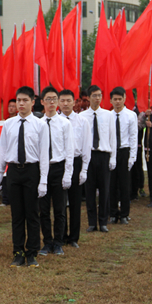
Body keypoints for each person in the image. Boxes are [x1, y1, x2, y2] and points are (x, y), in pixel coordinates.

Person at [0, 86, 49, 267]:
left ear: (33, 102)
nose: (21, 104)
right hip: (14, 172)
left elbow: (43, 155)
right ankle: (18, 252)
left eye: (25, 100)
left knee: (32, 214)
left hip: (32, 171)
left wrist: (43, 181)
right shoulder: (9, 124)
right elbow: (2, 150)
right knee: (17, 214)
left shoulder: (40, 125)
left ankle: (32, 252)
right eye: (18, 101)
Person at [38, 86, 73, 256]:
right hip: (42, 169)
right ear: (42, 102)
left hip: (59, 168)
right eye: (48, 99)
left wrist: (68, 173)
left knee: (59, 209)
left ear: (58, 102)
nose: (52, 102)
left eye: (54, 99)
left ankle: (58, 242)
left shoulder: (65, 124)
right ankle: (47, 242)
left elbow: (69, 150)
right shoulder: (38, 124)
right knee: (43, 209)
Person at [79, 86, 117, 233]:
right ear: (89, 97)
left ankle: (103, 221)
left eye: (100, 95)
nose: (97, 98)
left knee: (104, 189)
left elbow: (112, 137)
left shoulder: (108, 115)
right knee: (89, 190)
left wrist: (113, 157)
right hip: (89, 155)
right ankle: (92, 222)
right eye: (94, 96)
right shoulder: (82, 116)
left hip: (103, 154)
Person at [58, 89, 91, 248]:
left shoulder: (82, 121)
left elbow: (86, 147)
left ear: (74, 102)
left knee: (75, 202)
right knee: (60, 202)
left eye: (68, 100)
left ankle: (73, 238)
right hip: (60, 163)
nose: (65, 104)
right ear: (58, 102)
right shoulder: (54, 121)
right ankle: (61, 235)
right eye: (62, 100)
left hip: (76, 163)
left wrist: (84, 169)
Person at [108, 87, 138, 225]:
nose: (118, 102)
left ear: (125, 99)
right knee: (112, 184)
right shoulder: (108, 116)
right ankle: (113, 213)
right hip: (112, 152)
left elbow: (133, 137)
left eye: (120, 99)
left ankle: (125, 214)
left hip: (125, 151)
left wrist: (132, 157)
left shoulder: (131, 115)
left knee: (125, 185)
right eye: (115, 99)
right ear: (111, 100)